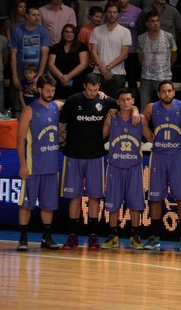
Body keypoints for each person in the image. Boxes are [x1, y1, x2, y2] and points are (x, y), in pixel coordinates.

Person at [60, 73, 120, 250]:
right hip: (73, 155)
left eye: (96, 89)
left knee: (94, 197)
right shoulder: (72, 100)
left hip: (95, 156)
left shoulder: (106, 101)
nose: (93, 93)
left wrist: (131, 111)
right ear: (84, 86)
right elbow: (62, 125)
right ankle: (72, 236)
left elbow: (126, 104)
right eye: (90, 89)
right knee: (74, 197)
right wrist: (65, 141)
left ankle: (93, 236)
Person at [141, 80, 181, 250]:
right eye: (163, 91)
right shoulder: (151, 108)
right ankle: (154, 237)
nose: (167, 94)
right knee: (155, 198)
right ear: (158, 94)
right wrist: (148, 135)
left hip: (177, 156)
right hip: (158, 156)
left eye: (170, 91)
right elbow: (141, 119)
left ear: (174, 92)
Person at [16, 74, 61, 251]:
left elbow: (70, 102)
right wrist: (22, 164)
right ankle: (23, 238)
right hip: (33, 166)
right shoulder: (29, 109)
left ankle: (46, 237)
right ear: (40, 90)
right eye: (48, 90)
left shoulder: (56, 107)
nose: (50, 93)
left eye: (53, 90)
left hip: (51, 165)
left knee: (48, 205)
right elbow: (20, 140)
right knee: (26, 204)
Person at [101, 88, 146, 249]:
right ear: (118, 102)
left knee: (135, 204)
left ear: (133, 101)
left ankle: (135, 236)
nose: (126, 103)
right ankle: (112, 236)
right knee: (113, 204)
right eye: (122, 100)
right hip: (115, 166)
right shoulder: (111, 117)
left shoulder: (140, 118)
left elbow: (151, 136)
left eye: (129, 99)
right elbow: (100, 136)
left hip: (134, 166)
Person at [9, 6, 50, 113]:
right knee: (19, 105)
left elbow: (45, 54)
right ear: (26, 16)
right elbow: (13, 55)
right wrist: (14, 76)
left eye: (38, 15)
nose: (37, 17)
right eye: (33, 15)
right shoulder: (17, 31)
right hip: (21, 73)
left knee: (39, 104)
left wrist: (39, 76)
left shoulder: (43, 31)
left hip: (38, 72)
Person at [89, 1, 131, 97]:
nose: (112, 14)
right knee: (97, 104)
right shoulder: (97, 30)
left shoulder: (125, 32)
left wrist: (107, 68)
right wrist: (102, 68)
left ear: (118, 13)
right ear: (105, 13)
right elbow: (93, 52)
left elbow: (124, 54)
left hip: (117, 74)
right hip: (98, 73)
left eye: (114, 12)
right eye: (109, 12)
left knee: (115, 105)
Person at [138, 11, 177, 110]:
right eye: (152, 21)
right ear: (147, 24)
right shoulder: (141, 38)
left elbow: (174, 55)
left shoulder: (169, 37)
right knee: (144, 108)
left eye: (157, 20)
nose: (156, 23)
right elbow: (140, 57)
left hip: (164, 77)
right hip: (146, 78)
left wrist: (166, 67)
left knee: (166, 107)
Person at [47, 24, 88, 100]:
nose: (69, 34)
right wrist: (61, 77)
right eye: (66, 32)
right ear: (62, 33)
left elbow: (83, 64)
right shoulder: (55, 47)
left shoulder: (82, 47)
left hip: (77, 83)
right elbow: (50, 64)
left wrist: (68, 76)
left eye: (71, 32)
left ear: (75, 34)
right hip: (58, 83)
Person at [115, 0, 142, 97]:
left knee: (131, 78)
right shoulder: (114, 12)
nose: (121, 0)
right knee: (117, 78)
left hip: (132, 50)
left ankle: (133, 103)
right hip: (116, 51)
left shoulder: (138, 12)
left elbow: (142, 31)